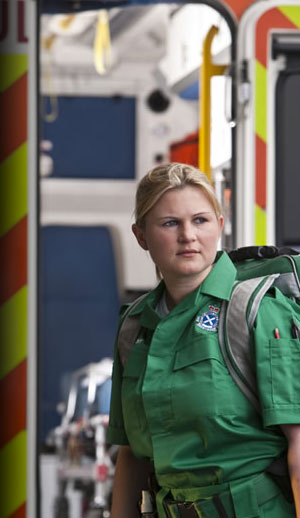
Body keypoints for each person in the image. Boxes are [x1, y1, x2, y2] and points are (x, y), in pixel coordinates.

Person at [107, 162, 300, 518]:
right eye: (170, 223)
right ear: (141, 236)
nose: (188, 236)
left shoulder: (255, 310)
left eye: (200, 220)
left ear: (220, 226)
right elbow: (132, 456)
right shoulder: (134, 328)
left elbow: (298, 446)